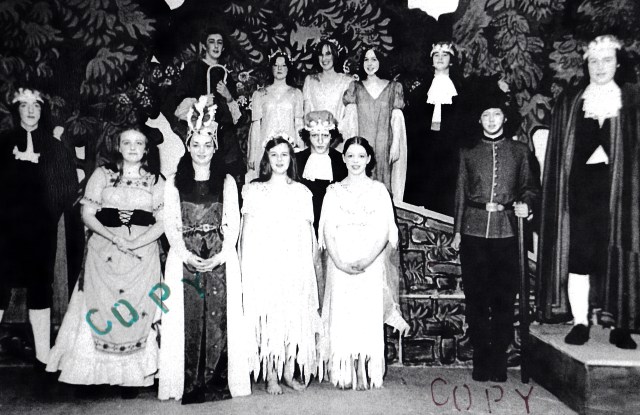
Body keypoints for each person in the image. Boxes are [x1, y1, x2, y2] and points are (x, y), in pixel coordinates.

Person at [537, 35, 640, 349]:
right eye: (593, 61)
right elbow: (559, 155)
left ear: (618, 64)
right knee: (579, 258)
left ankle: (620, 326)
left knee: (618, 257)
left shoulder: (632, 101)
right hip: (579, 194)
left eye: (606, 60)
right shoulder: (571, 101)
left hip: (621, 194)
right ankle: (580, 322)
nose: (599, 67)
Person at [46, 126, 165, 398]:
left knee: (135, 311)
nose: (132, 148)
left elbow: (163, 221)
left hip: (141, 255)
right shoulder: (102, 174)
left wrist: (135, 242)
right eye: (127, 143)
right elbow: (88, 214)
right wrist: (113, 237)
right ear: (118, 147)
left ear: (146, 149)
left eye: (138, 143)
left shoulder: (156, 180)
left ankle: (131, 378)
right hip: (104, 251)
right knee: (100, 309)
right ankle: (96, 377)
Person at [158, 97, 250, 403]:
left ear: (214, 147)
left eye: (207, 145)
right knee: (187, 317)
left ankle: (216, 381)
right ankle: (188, 382)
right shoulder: (174, 181)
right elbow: (171, 223)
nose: (201, 150)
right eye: (195, 144)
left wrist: (221, 256)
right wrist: (185, 254)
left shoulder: (226, 181)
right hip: (185, 256)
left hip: (219, 256)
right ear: (188, 146)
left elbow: (233, 222)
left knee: (219, 316)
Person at [451, 88, 538, 382]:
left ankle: (499, 359)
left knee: (503, 297)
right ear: (479, 120)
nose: (491, 120)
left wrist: (527, 204)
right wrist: (457, 231)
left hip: (507, 232)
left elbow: (530, 188)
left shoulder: (520, 151)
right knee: (476, 297)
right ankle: (481, 357)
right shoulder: (468, 151)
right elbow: (460, 193)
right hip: (474, 231)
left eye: (496, 114)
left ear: (505, 118)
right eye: (486, 115)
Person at [319, 137, 409, 390]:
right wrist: (339, 262)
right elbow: (327, 231)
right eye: (350, 156)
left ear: (369, 159)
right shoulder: (333, 191)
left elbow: (386, 231)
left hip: (370, 261)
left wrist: (368, 260)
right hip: (341, 260)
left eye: (361, 156)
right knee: (344, 313)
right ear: (344, 159)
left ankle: (363, 369)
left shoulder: (379, 191)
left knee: (365, 314)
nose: (355, 161)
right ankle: (344, 368)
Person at [0, 87, 78, 370]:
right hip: (5, 231)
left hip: (41, 231)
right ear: (16, 109)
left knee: (40, 286)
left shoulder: (54, 148)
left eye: (36, 105)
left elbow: (67, 186)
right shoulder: (3, 143)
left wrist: (47, 215)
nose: (31, 110)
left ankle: (43, 356)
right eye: (24, 105)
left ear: (43, 109)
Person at [240, 135, 320, 394]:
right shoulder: (254, 190)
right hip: (265, 263)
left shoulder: (301, 192)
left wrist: (307, 267)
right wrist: (248, 266)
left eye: (284, 154)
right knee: (269, 317)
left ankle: (287, 371)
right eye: (273, 155)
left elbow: (308, 233)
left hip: (293, 262)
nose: (279, 159)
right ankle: (271, 375)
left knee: (292, 316)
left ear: (291, 158)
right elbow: (247, 232)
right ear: (266, 159)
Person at [174, 26, 244, 181]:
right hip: (203, 139)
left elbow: (237, 118)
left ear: (223, 47)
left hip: (227, 142)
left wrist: (228, 96)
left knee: (230, 183)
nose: (216, 46)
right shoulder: (192, 69)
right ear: (204, 46)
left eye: (220, 42)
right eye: (212, 42)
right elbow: (179, 107)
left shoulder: (225, 74)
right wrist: (201, 102)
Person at [404, 41, 463, 215]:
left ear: (451, 61)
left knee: (445, 190)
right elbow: (413, 123)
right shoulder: (420, 90)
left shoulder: (461, 89)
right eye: (436, 55)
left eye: (445, 55)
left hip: (450, 147)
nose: (440, 58)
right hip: (425, 146)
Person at [343, 47, 407, 201]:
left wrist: (395, 145)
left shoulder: (393, 87)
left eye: (374, 59)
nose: (369, 63)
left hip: (384, 148)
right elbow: (350, 123)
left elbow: (397, 118)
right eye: (366, 59)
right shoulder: (355, 87)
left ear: (381, 62)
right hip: (362, 147)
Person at [247, 50, 304, 182]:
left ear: (288, 68)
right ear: (271, 68)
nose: (279, 68)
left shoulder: (296, 93)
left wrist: (300, 150)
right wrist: (252, 154)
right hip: (264, 147)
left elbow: (299, 124)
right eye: (276, 65)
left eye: (283, 65)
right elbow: (256, 126)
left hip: (289, 146)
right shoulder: (259, 94)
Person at [302, 39, 357, 142]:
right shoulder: (310, 80)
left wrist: (335, 136)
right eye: (321, 54)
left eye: (328, 54)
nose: (324, 59)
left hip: (339, 141)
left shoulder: (347, 81)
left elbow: (350, 118)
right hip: (316, 140)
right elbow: (307, 115)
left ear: (335, 55)